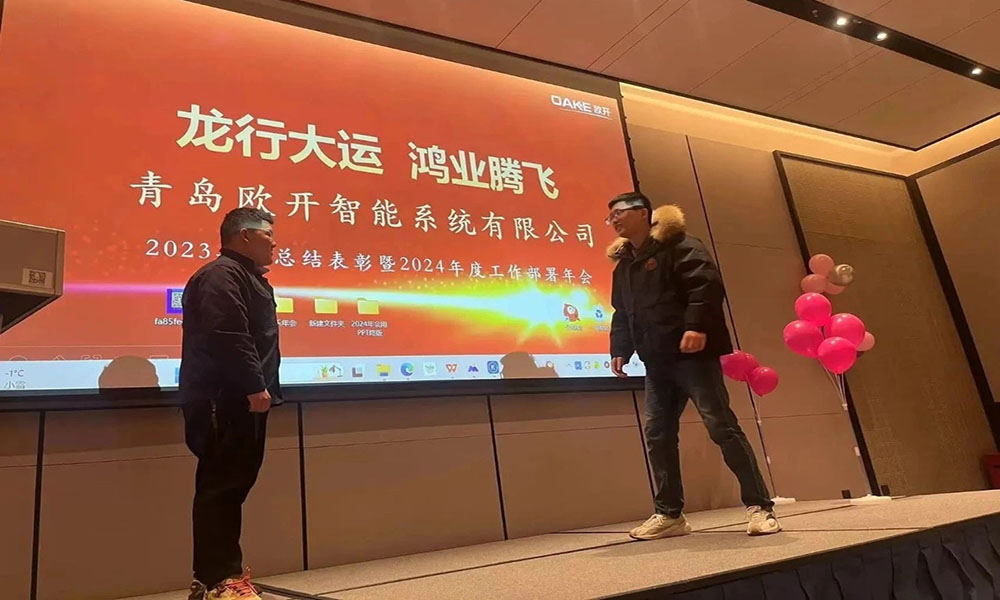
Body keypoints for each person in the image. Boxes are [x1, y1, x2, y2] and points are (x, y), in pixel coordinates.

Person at [605, 192, 780, 539]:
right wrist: (620, 348)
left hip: (693, 356)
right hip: (657, 361)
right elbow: (622, 312)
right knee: (658, 435)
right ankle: (670, 514)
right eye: (610, 216)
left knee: (721, 426)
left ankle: (760, 507)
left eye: (619, 213)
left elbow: (706, 287)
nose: (614, 220)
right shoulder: (625, 266)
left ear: (643, 213)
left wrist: (696, 326)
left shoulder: (681, 245)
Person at [179, 207, 281, 600]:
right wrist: (253, 385)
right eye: (268, 234)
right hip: (225, 400)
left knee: (231, 487)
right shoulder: (221, 275)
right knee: (221, 488)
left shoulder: (247, 277)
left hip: (242, 400)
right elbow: (227, 334)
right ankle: (219, 580)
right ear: (244, 236)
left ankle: (214, 579)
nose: (274, 243)